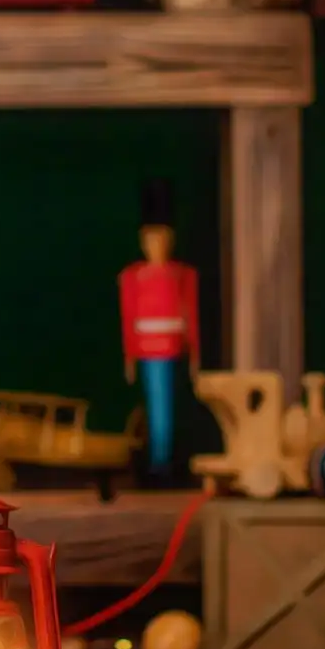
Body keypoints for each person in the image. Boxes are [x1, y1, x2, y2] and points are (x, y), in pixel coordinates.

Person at [119, 178, 200, 482]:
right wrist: (130, 355)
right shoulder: (132, 277)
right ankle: (157, 462)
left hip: (174, 348)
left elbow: (190, 314)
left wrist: (195, 355)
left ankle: (164, 461)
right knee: (157, 409)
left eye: (162, 237)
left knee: (169, 409)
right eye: (152, 238)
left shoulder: (183, 274)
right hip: (149, 350)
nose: (157, 245)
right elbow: (129, 316)